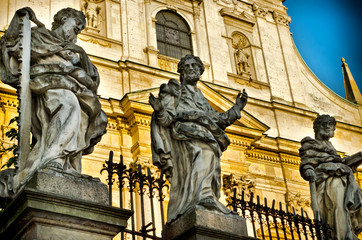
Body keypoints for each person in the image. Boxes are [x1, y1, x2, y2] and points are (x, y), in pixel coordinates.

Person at [0, 7, 108, 196]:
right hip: (46, 86)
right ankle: (53, 160)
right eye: (76, 27)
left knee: (80, 111)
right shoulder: (39, 36)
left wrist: (78, 63)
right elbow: (11, 47)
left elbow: (92, 77)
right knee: (68, 104)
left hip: (74, 88)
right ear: (64, 19)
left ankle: (66, 165)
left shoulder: (75, 50)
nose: (76, 34)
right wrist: (19, 20)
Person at [149, 55, 248, 222]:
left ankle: (205, 197)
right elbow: (167, 120)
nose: (191, 68)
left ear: (201, 71)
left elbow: (219, 121)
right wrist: (160, 110)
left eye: (195, 65)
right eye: (186, 66)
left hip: (206, 134)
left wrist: (237, 107)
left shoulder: (201, 97)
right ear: (181, 72)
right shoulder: (174, 90)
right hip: (183, 134)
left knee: (209, 151)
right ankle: (203, 197)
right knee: (205, 151)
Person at [299, 114, 362, 240]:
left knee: (344, 209)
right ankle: (339, 236)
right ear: (317, 128)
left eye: (331, 124)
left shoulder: (330, 147)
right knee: (335, 208)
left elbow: (339, 162)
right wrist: (308, 170)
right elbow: (306, 161)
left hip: (342, 180)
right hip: (329, 182)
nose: (328, 127)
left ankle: (347, 234)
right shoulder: (310, 143)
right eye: (324, 124)